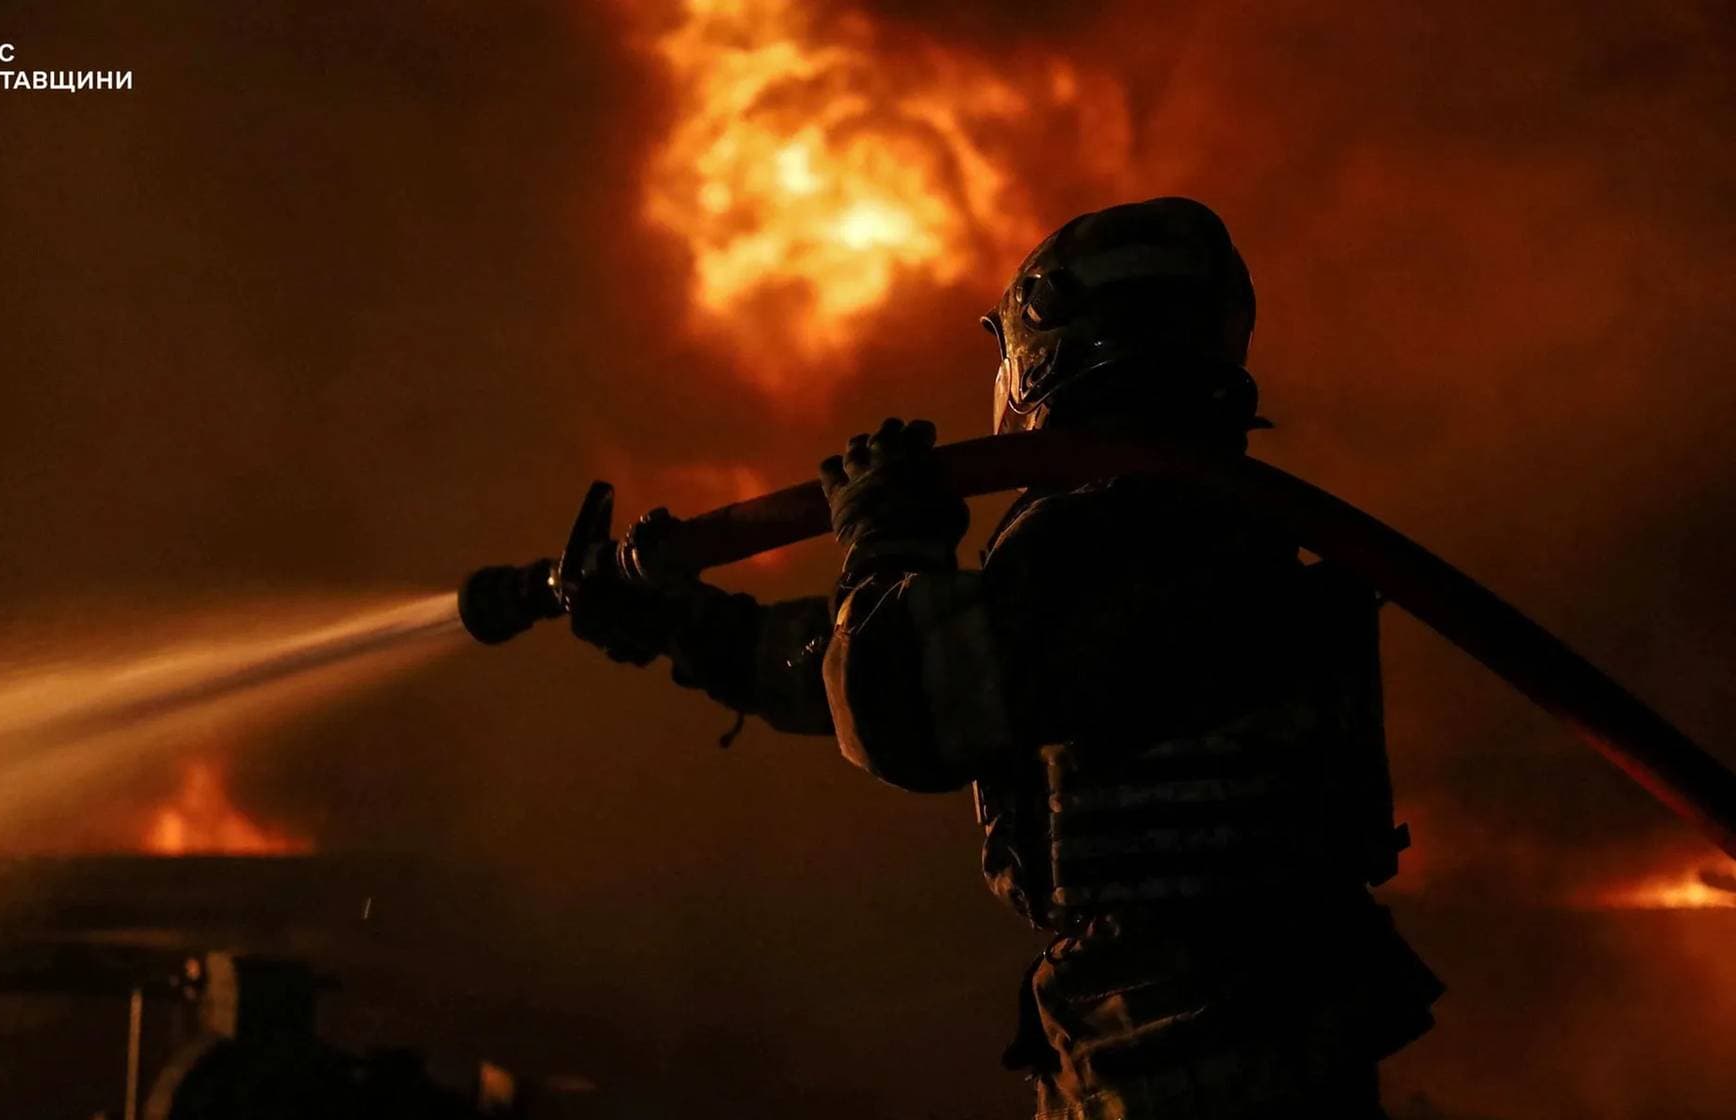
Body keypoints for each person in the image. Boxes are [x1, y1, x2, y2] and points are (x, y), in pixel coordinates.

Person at [566, 197, 1442, 1118]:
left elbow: (909, 710)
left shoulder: (1135, 533)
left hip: (1191, 1040)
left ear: (1043, 344)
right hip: (1207, 1021)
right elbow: (907, 662)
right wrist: (690, 630)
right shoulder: (1184, 524)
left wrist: (888, 542)